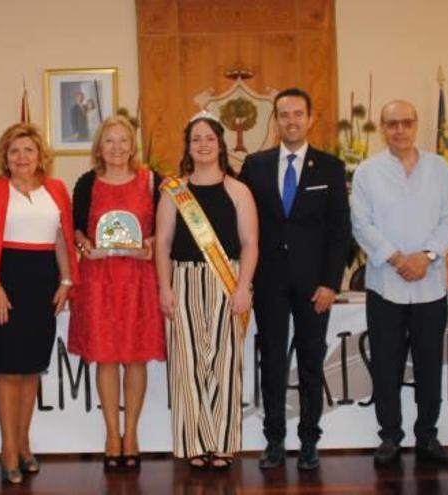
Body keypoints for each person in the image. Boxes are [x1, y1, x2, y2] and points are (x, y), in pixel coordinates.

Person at [239, 87, 351, 471]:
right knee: (271, 361)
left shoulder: (331, 167)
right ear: (276, 119)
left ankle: (308, 440)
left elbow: (340, 231)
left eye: (298, 114)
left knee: (310, 363)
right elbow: (242, 225)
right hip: (268, 283)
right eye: (284, 114)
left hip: (314, 286)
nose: (291, 120)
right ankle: (274, 439)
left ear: (310, 117)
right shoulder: (254, 165)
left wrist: (331, 283)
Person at [0, 123, 78, 484]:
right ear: (5, 158)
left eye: (28, 150)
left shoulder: (56, 190)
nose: (22, 157)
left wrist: (67, 280)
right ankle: (7, 449)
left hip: (41, 282)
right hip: (2, 281)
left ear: (40, 155)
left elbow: (62, 240)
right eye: (14, 151)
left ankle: (24, 444)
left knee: (30, 370)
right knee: (8, 370)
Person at [351, 100, 448, 466]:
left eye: (406, 123)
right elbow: (361, 224)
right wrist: (398, 258)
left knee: (430, 365)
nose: (399, 130)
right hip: (386, 285)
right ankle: (390, 437)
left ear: (416, 125)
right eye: (391, 124)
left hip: (430, 286)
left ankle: (427, 436)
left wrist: (426, 257)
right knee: (386, 366)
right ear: (383, 128)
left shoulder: (439, 168)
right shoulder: (368, 172)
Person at [155, 114, 258, 470]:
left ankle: (224, 443)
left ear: (220, 144)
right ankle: (193, 443)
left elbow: (250, 244)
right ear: (188, 146)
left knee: (226, 365)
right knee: (187, 366)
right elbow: (163, 244)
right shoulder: (174, 192)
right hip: (182, 281)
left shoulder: (238, 190)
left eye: (209, 139)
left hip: (227, 281)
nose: (202, 145)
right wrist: (164, 289)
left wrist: (244, 287)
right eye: (195, 139)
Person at [68, 116, 165, 471]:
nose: (117, 148)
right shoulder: (86, 183)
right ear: (99, 147)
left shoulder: (152, 180)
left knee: (135, 357)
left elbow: (165, 229)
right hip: (100, 280)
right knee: (106, 358)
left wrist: (150, 245)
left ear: (133, 145)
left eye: (123, 140)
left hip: (138, 279)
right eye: (109, 141)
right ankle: (111, 434)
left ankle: (132, 435)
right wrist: (84, 245)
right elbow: (76, 228)